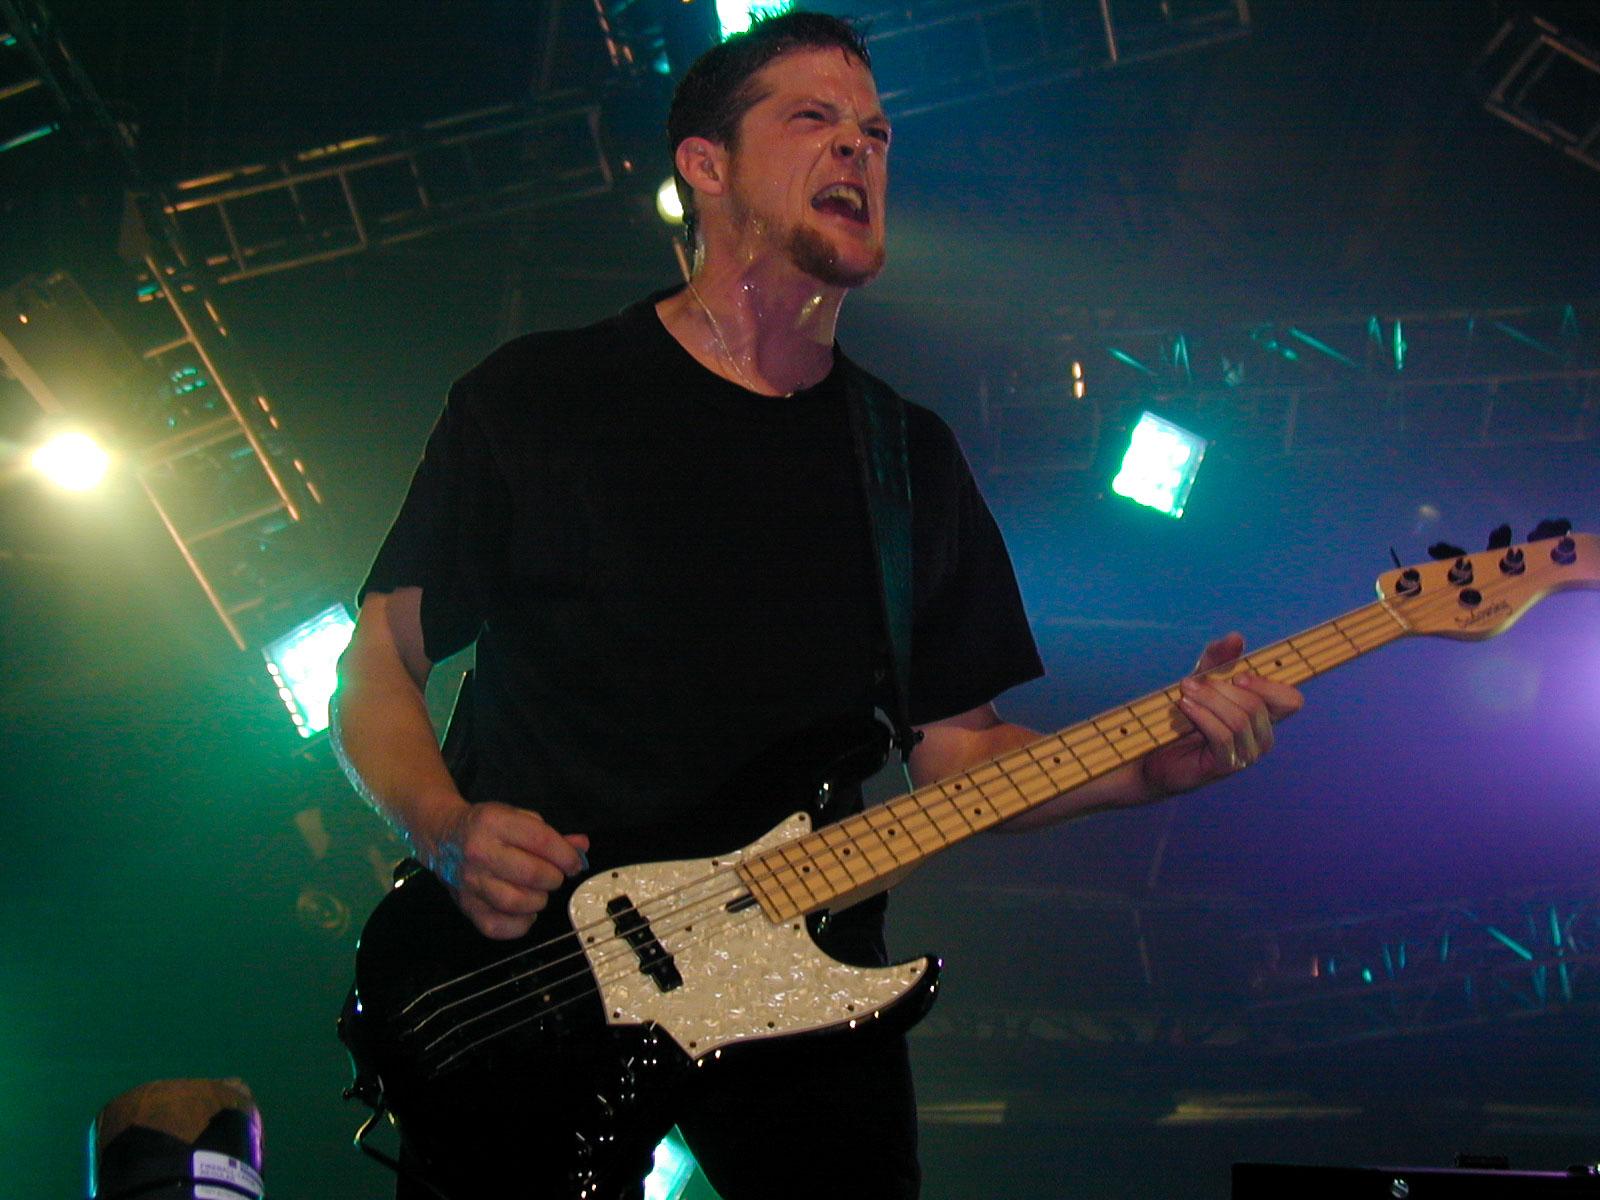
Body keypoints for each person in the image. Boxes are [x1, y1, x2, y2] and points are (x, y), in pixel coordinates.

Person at [331, 11, 1303, 1199]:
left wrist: (1154, 764)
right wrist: (442, 824)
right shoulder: (537, 397)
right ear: (705, 165)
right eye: (814, 119)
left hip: (799, 971)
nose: (859, 149)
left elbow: (959, 755)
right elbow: (379, 659)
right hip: (532, 970)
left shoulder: (908, 459)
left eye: (877, 134)